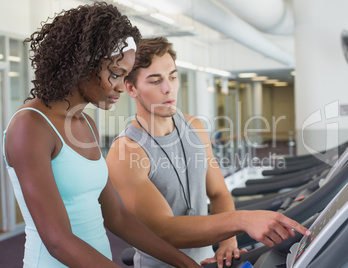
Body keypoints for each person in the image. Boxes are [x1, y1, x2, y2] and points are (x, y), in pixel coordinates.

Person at [2, 3, 202, 267]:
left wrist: (186, 263)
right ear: (81, 64)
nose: (121, 87)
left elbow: (117, 216)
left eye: (125, 76)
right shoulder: (30, 126)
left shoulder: (86, 123)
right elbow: (57, 240)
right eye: (115, 74)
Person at [106, 37, 310, 268]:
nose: (168, 88)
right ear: (131, 88)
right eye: (155, 81)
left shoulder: (195, 128)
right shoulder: (126, 151)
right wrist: (241, 220)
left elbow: (218, 193)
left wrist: (228, 241)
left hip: (208, 258)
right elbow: (165, 230)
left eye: (172, 77)